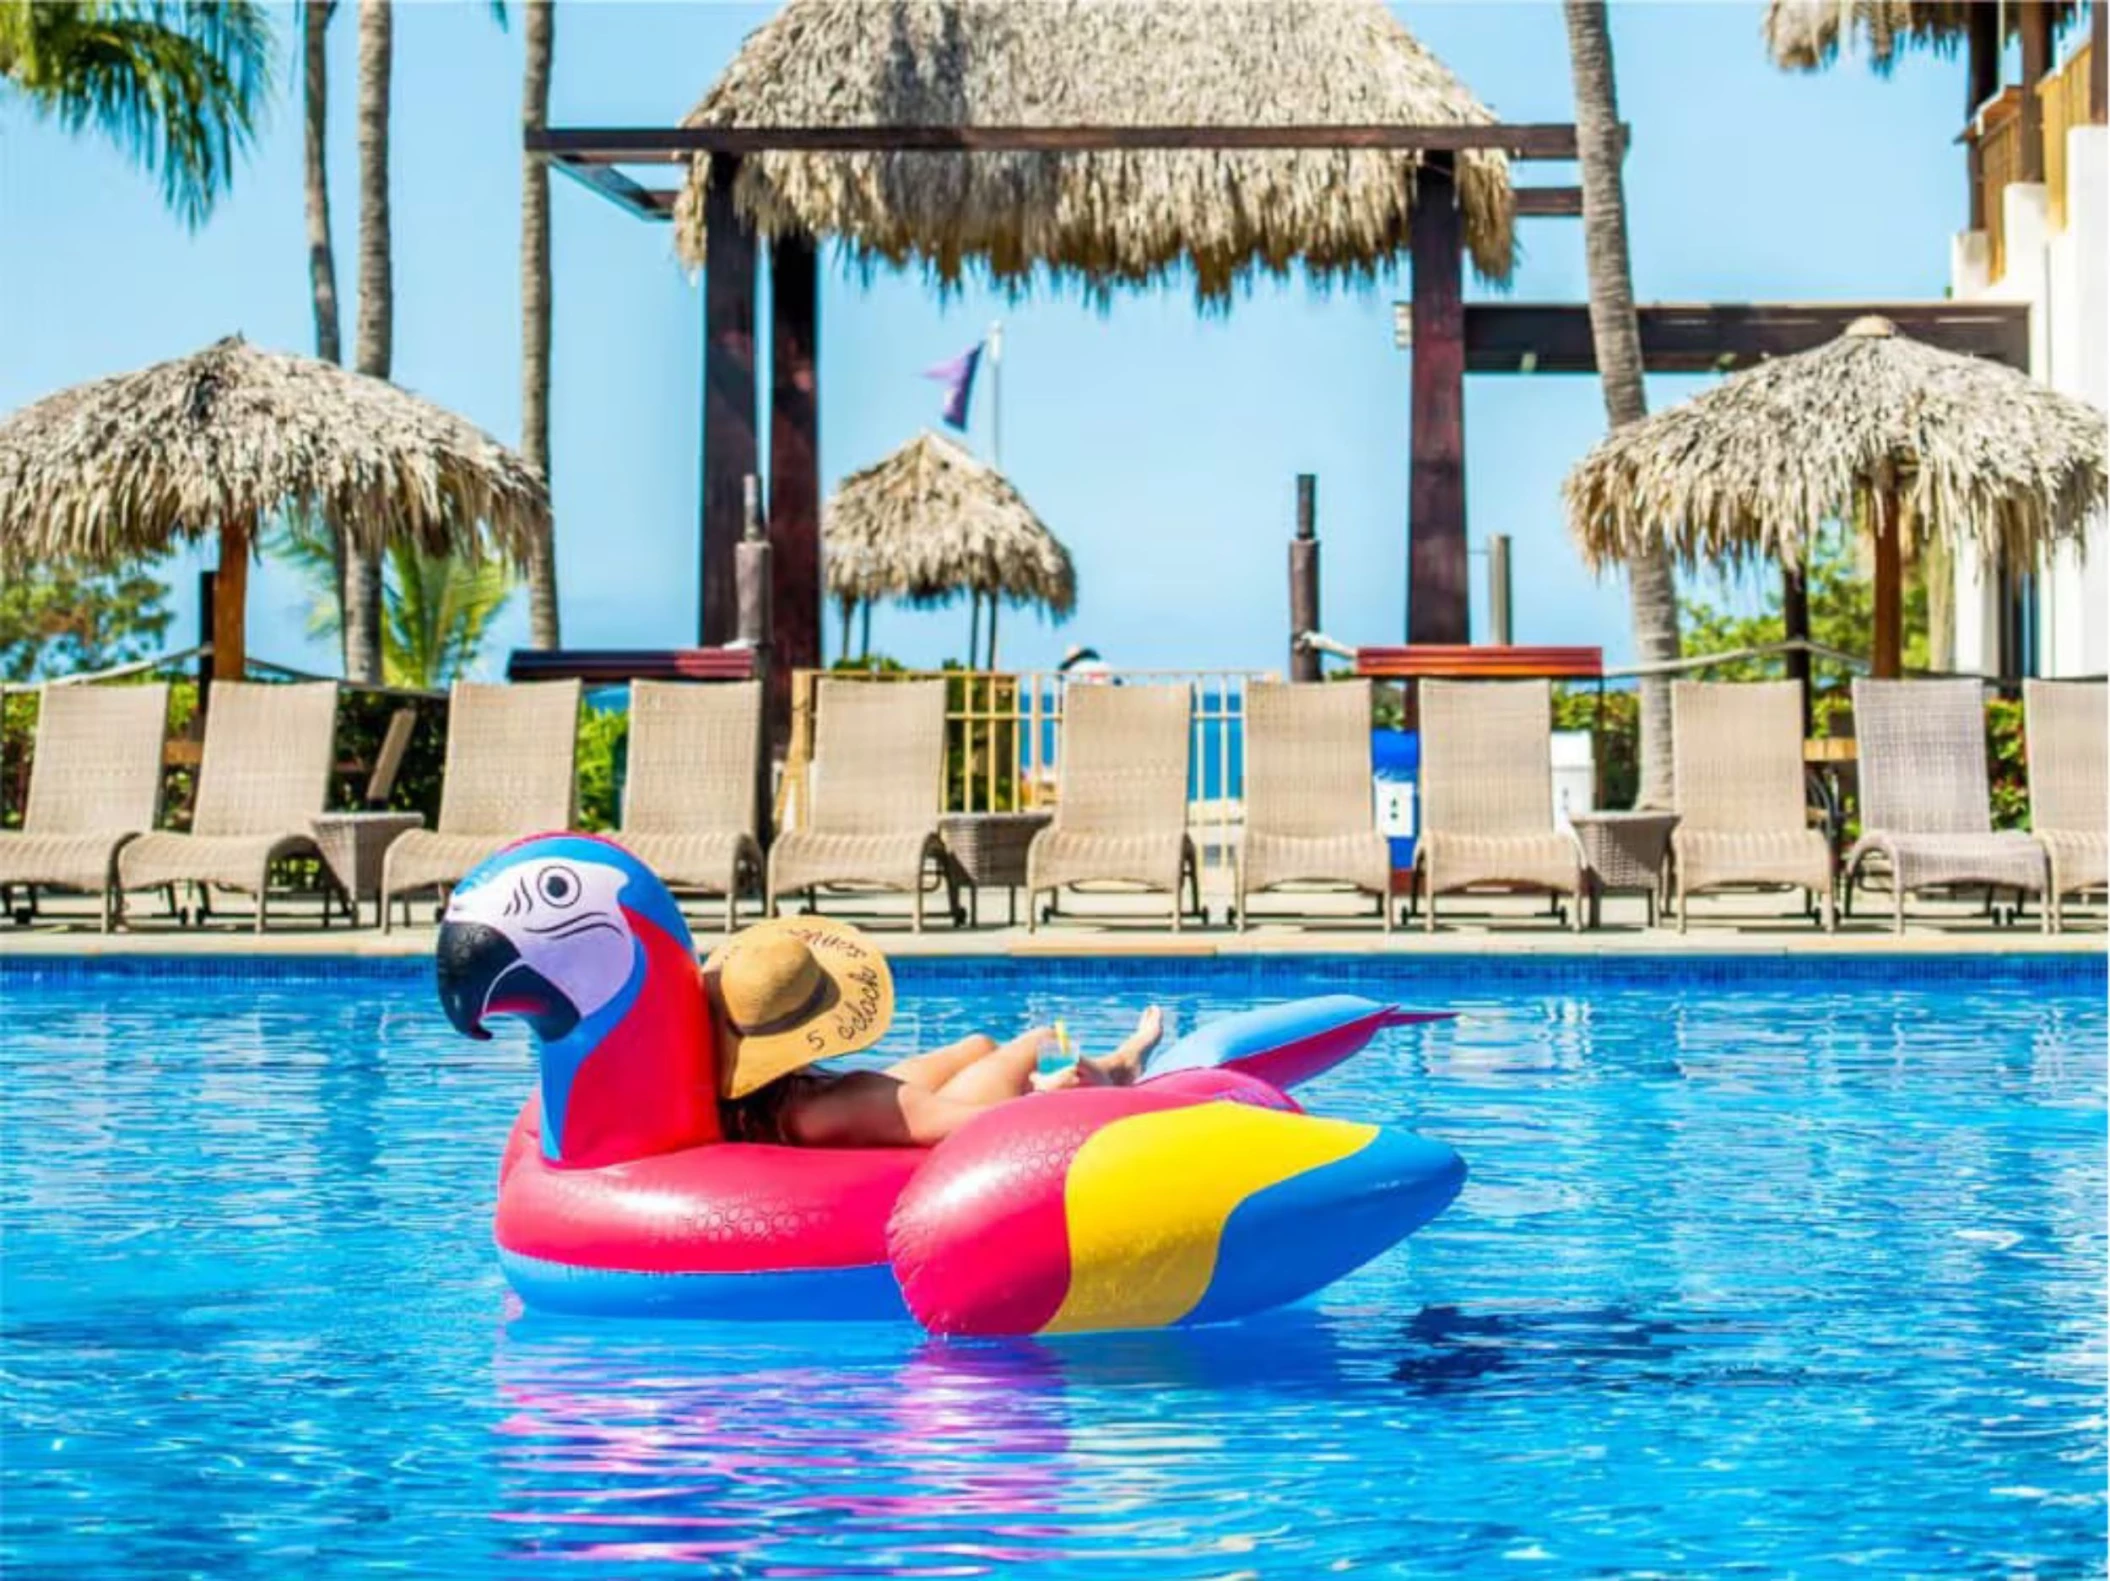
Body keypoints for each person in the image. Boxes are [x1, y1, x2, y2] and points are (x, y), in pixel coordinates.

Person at [705, 915, 1162, 1149]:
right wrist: (1045, 1099)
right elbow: (977, 1127)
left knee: (978, 1046)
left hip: (822, 1105)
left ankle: (1108, 1067)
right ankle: (1119, 1069)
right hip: (944, 1115)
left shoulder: (744, 1104)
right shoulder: (855, 1102)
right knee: (1042, 1041)